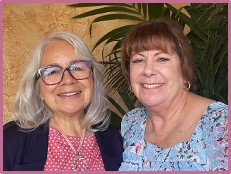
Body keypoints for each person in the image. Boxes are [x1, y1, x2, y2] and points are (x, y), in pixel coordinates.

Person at [118, 18, 228, 171]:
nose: (148, 70)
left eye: (162, 59)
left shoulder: (220, 122)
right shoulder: (131, 122)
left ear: (184, 69)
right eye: (138, 60)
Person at [3, 32, 123, 171]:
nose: (68, 80)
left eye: (78, 67)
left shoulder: (115, 140)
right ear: (38, 89)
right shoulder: (9, 141)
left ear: (93, 79)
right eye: (52, 72)